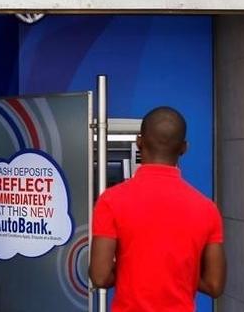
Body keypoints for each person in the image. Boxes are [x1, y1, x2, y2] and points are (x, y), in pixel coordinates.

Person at [89, 106, 226, 311]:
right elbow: (215, 285)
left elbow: (99, 276)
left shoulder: (111, 200)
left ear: (139, 141)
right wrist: (177, 273)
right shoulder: (207, 208)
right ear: (184, 148)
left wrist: (132, 268)